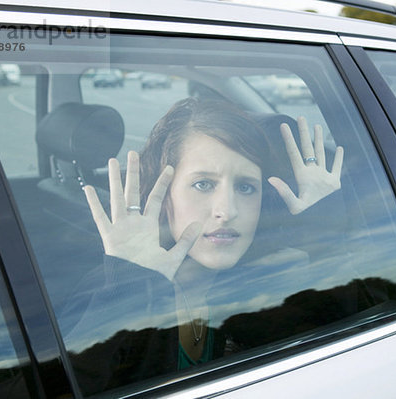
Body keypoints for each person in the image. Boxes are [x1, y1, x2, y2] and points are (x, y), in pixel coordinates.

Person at [63, 98, 343, 394]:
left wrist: (321, 231)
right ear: (163, 194)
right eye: (203, 184)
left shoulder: (249, 290)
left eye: (246, 187)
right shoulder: (115, 289)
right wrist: (128, 290)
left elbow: (342, 351)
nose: (227, 211)